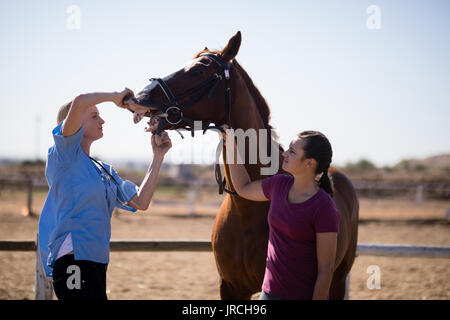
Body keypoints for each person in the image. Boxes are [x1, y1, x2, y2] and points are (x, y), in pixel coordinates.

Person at [38, 89, 172, 300]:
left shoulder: (104, 170)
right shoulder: (63, 155)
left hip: (98, 262)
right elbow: (80, 101)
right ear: (73, 122)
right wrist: (115, 96)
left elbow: (141, 202)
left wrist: (158, 157)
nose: (102, 120)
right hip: (73, 261)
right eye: (94, 116)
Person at [222, 127, 340, 300]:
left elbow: (326, 267)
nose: (284, 154)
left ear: (310, 163)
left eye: (292, 152)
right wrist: (231, 147)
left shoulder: (324, 207)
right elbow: (243, 188)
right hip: (268, 293)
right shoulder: (279, 185)